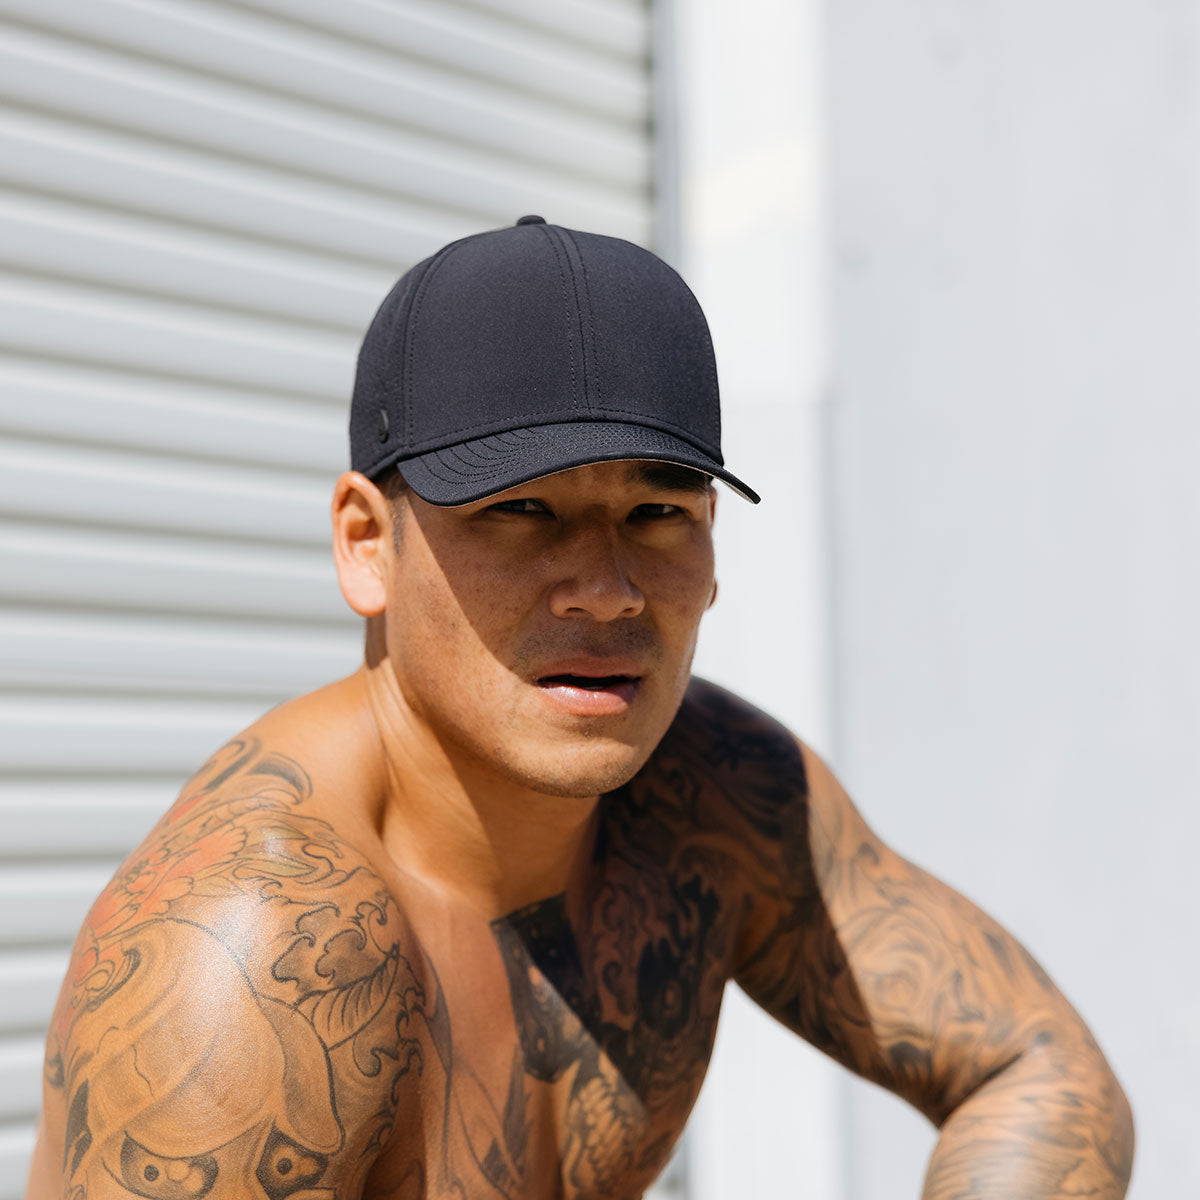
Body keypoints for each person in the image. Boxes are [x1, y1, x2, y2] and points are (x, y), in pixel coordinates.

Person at [26, 216, 1133, 1200]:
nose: (606, 589)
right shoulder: (261, 954)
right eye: (521, 511)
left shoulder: (714, 797)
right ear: (366, 544)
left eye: (656, 513)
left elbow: (1038, 1070)